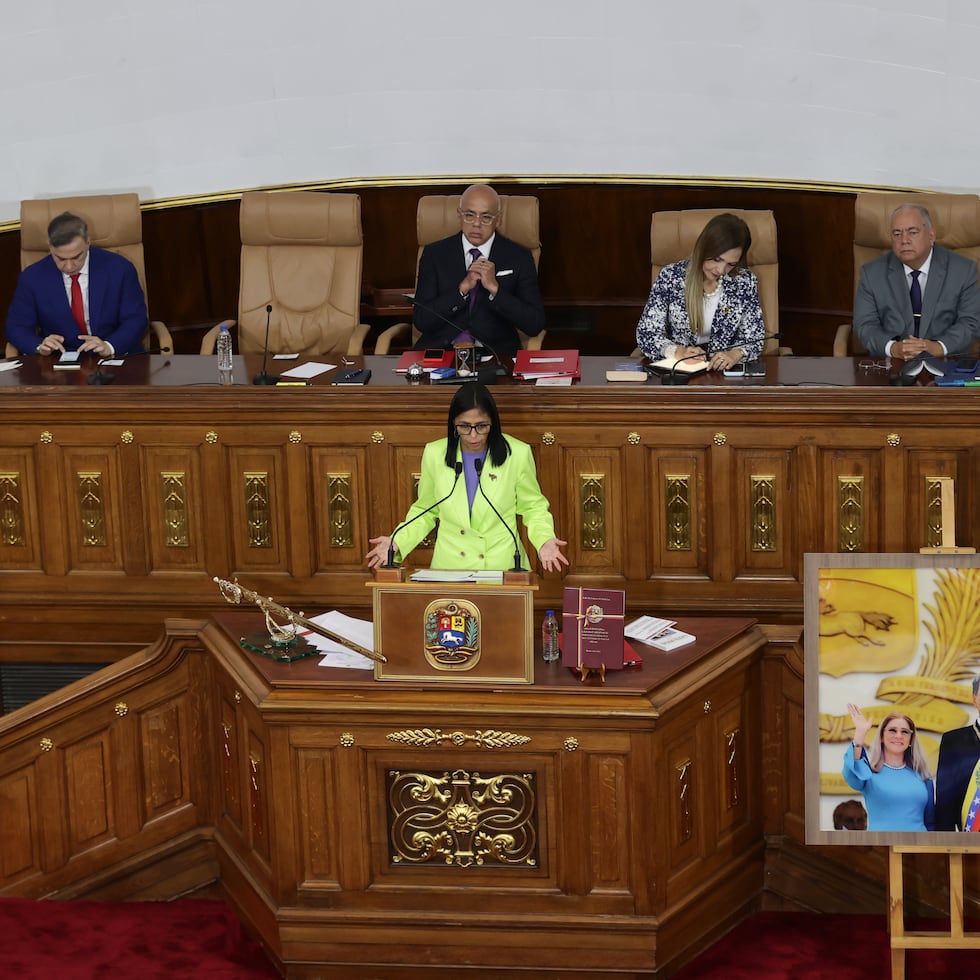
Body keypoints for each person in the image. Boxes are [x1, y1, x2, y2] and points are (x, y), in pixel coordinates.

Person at [366, 383, 567, 573]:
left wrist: (544, 540)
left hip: (503, 567)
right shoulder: (435, 453)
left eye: (481, 426)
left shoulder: (518, 453)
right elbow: (425, 510)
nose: (473, 436)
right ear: (453, 424)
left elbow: (533, 508)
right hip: (451, 568)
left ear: (493, 423)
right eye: (464, 427)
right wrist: (397, 541)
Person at [411, 183, 545, 359]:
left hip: (496, 356)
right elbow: (422, 320)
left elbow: (534, 324)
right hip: (442, 354)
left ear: (499, 219)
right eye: (469, 215)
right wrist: (461, 290)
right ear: (459, 215)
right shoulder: (434, 254)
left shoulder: (519, 256)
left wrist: (496, 291)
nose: (476, 223)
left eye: (486, 217)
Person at [5, 211, 148, 358]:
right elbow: (16, 327)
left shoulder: (120, 269)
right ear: (50, 247)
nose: (69, 267)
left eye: (76, 257)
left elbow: (136, 319)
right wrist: (39, 346)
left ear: (88, 242)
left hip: (115, 355)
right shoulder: (32, 277)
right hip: (59, 360)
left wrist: (109, 346)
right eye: (60, 258)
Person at [634, 213, 766, 371]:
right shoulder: (671, 277)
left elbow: (754, 338)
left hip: (723, 374)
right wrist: (677, 352)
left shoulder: (744, 282)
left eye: (731, 263)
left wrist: (735, 354)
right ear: (704, 249)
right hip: (679, 372)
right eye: (717, 259)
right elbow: (647, 333)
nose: (721, 270)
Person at [852, 203, 980, 359]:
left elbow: (970, 322)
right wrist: (893, 348)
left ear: (931, 236)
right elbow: (865, 325)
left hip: (946, 362)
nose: (904, 240)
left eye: (912, 232)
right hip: (892, 364)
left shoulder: (963, 270)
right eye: (897, 233)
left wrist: (939, 347)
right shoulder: (871, 273)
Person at [842, 704, 935, 832]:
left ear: (910, 740)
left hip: (917, 849)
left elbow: (930, 823)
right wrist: (860, 734)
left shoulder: (923, 776)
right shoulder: (868, 774)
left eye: (904, 732)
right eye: (892, 730)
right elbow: (851, 773)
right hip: (880, 848)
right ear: (881, 736)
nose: (898, 736)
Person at [935, 673, 980, 831]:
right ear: (974, 698)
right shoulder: (953, 740)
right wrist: (946, 846)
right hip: (969, 835)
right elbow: (944, 797)